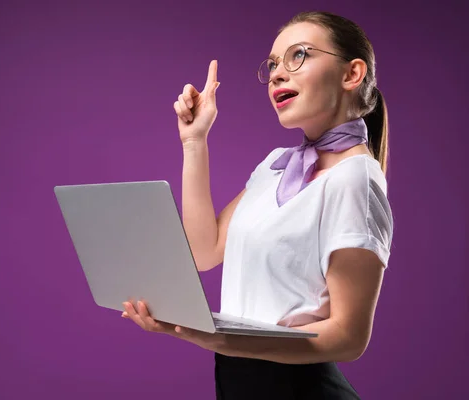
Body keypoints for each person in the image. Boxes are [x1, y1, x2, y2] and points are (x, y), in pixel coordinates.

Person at [121, 10, 393, 399]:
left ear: (352, 74)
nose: (279, 74)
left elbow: (348, 338)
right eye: (273, 65)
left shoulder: (355, 179)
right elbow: (205, 251)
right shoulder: (275, 165)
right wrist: (194, 142)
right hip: (238, 383)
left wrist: (218, 338)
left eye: (298, 56)